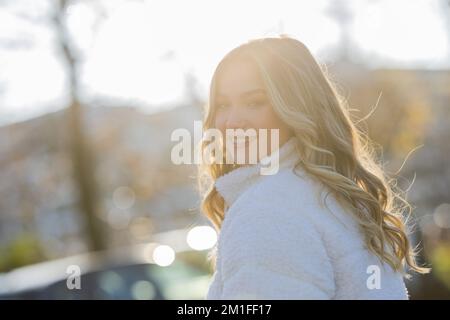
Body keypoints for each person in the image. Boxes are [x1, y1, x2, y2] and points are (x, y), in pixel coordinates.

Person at [198, 35, 429, 299]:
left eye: (255, 102)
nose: (232, 121)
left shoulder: (267, 210)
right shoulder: (332, 195)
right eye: (222, 105)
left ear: (295, 107)